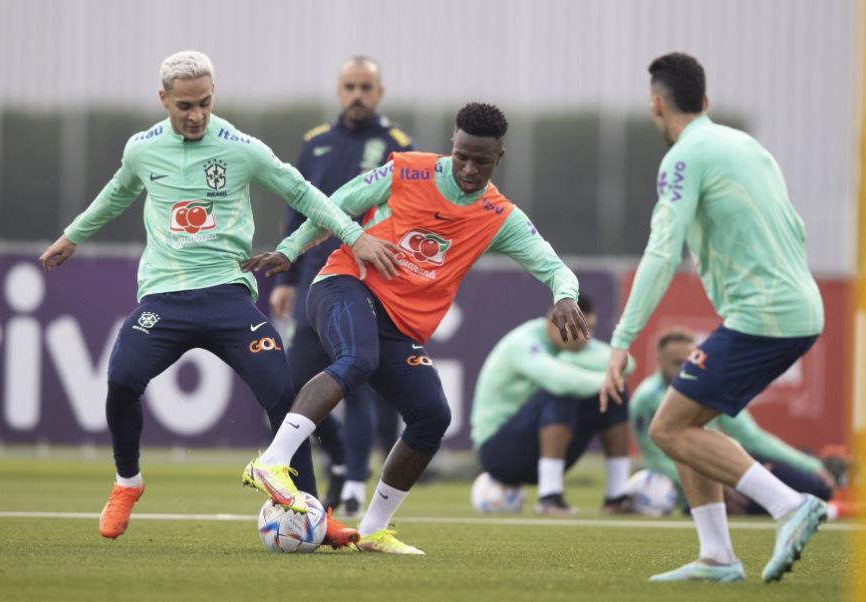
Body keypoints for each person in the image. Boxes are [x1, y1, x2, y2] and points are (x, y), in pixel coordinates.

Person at [37, 50, 398, 545]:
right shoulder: (142, 150)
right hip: (164, 301)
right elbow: (118, 192)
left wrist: (354, 236)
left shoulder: (241, 148)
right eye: (185, 105)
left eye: (205, 103)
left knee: (286, 398)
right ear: (163, 99)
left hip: (229, 298)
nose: (196, 115)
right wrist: (72, 236)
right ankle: (127, 483)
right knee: (121, 379)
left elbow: (304, 193)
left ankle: (315, 513)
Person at [240, 102, 592, 554]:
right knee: (357, 359)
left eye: (480, 161)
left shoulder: (498, 216)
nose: (468, 167)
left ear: (498, 157)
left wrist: (564, 294)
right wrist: (289, 252)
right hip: (345, 285)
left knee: (432, 416)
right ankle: (271, 462)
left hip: (399, 325)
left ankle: (370, 531)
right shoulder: (407, 171)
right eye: (462, 155)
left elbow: (553, 265)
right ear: (453, 144)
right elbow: (334, 206)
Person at [600, 53, 826, 583]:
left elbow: (662, 253)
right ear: (706, 101)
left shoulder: (684, 157)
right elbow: (793, 227)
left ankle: (791, 506)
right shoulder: (745, 145)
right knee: (684, 422)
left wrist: (622, 339)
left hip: (764, 315)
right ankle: (717, 556)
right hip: (795, 306)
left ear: (656, 104)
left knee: (667, 427)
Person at [269, 56, 414, 514]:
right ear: (339, 91)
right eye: (349, 86)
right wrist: (289, 275)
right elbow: (297, 206)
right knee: (292, 384)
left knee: (360, 379)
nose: (357, 95)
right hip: (316, 275)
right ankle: (334, 461)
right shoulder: (317, 143)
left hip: (368, 276)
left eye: (365, 87)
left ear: (380, 92)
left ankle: (353, 482)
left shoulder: (398, 146)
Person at [629, 328, 835, 515]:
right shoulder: (645, 399)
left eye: (687, 361)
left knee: (818, 487)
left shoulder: (702, 386)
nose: (681, 368)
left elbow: (752, 438)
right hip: (693, 477)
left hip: (722, 466)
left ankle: (802, 503)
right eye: (675, 362)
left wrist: (808, 464)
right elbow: (655, 459)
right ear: (659, 360)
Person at [470, 295, 636, 515]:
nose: (584, 338)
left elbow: (627, 363)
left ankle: (616, 497)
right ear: (553, 320)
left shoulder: (576, 344)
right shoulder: (523, 341)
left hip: (540, 452)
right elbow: (559, 381)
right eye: (576, 329)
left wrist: (574, 365)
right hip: (499, 453)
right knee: (565, 391)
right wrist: (607, 379)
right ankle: (549, 498)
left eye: (590, 329)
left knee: (617, 392)